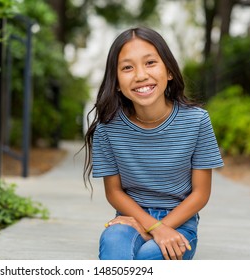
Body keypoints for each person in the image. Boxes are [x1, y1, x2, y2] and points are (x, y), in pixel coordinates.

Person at [82, 26, 224, 260]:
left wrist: (160, 229)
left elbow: (200, 193)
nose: (140, 75)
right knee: (113, 242)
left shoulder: (197, 121)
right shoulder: (107, 129)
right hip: (129, 220)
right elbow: (114, 192)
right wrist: (153, 227)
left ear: (169, 71)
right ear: (116, 82)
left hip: (180, 224)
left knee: (151, 255)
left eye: (150, 63)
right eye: (127, 67)